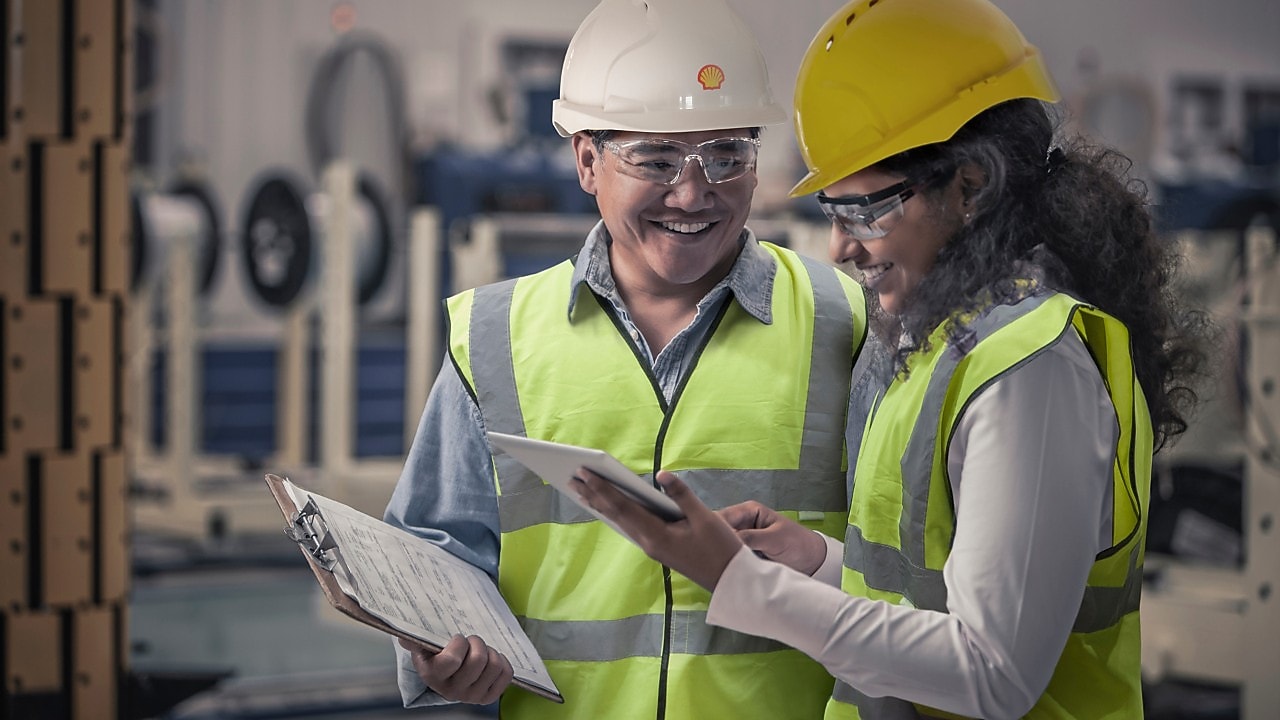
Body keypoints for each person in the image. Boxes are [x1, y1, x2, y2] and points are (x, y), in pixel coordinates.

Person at [574, 0, 1208, 717]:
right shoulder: (936, 347)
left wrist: (741, 584)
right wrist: (817, 562)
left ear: (970, 186)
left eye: (866, 212)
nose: (842, 249)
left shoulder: (1031, 371)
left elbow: (990, 671)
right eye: (833, 213)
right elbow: (932, 601)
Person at [383, 0, 870, 717]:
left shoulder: (844, 320)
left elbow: (904, 569)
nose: (693, 191)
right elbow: (433, 552)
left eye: (727, 155)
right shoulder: (494, 335)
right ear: (587, 160)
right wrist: (440, 650)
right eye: (657, 158)